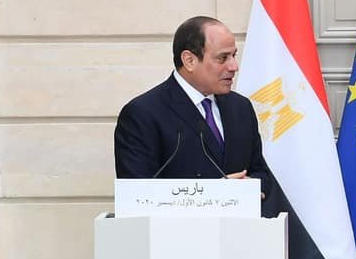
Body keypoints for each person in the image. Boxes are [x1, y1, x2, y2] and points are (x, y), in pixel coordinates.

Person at [114, 16, 272, 200]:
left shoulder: (240, 107)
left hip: (239, 227)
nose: (234, 66)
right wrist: (215, 195)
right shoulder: (143, 114)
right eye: (223, 58)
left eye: (234, 55)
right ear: (189, 60)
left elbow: (260, 172)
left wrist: (251, 188)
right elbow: (136, 194)